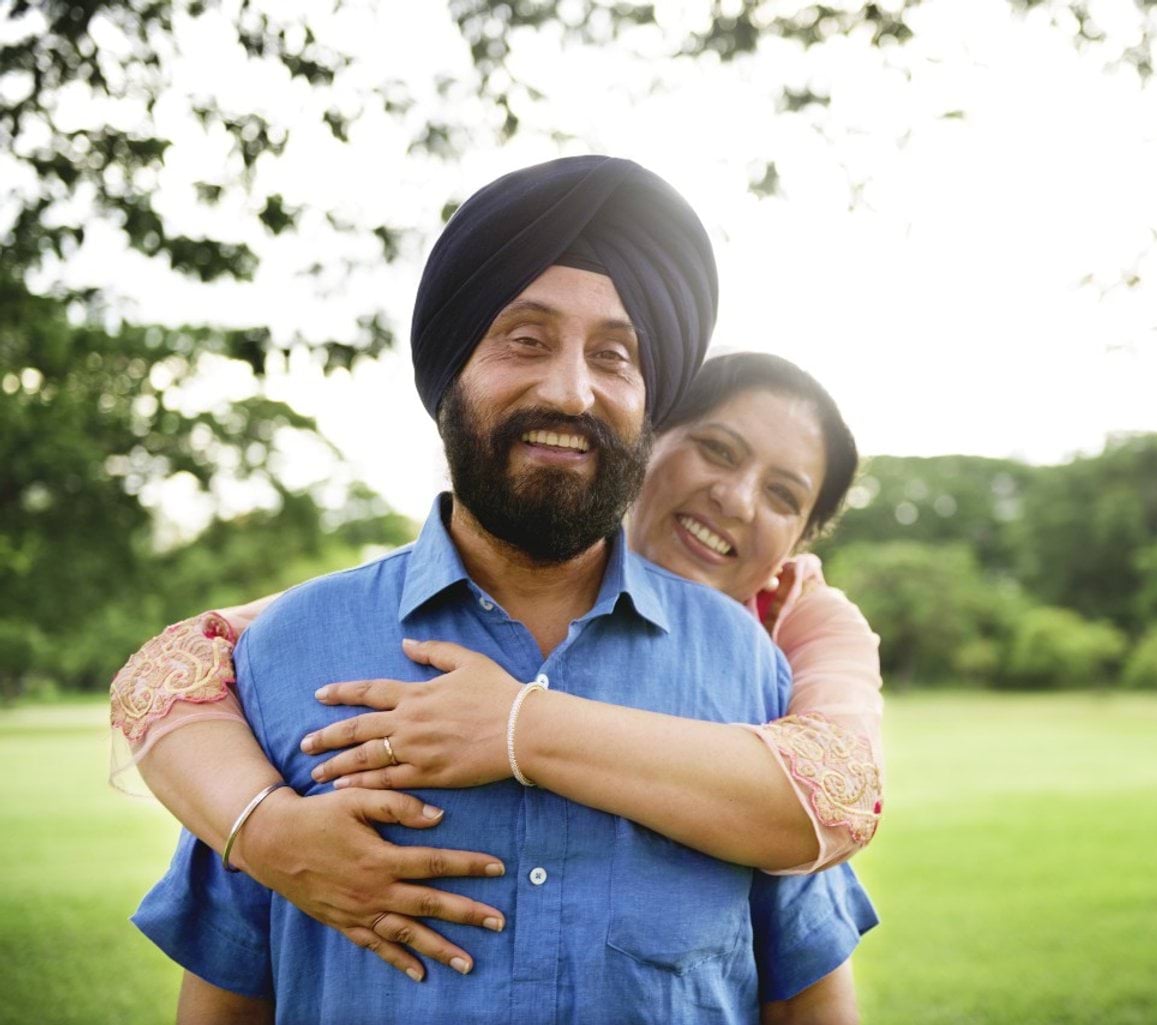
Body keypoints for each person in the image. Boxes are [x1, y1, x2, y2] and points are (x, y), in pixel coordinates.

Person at [122, 156, 878, 1025]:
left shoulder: (761, 667)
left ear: (645, 401)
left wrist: (519, 726)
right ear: (452, 372)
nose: (569, 388)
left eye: (615, 355)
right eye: (525, 339)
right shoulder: (285, 651)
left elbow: (811, 974)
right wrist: (261, 826)